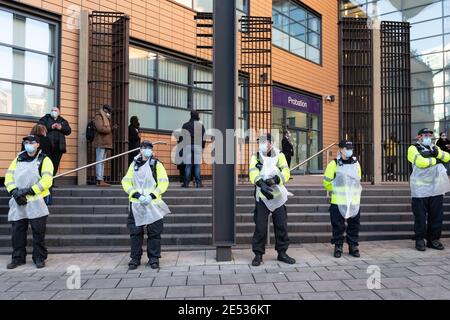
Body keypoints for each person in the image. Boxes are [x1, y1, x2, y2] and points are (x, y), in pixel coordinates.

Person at [4, 135, 54, 269]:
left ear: (37, 144)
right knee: (17, 233)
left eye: (31, 142)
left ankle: (39, 258)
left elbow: (47, 181)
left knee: (38, 233)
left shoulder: (45, 160)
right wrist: (14, 191)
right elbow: (8, 177)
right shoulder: (18, 159)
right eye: (26, 142)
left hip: (36, 202)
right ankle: (18, 258)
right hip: (18, 201)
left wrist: (29, 191)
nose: (28, 144)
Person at [121, 140, 170, 270]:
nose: (146, 150)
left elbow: (163, 183)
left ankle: (153, 258)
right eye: (144, 148)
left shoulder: (157, 165)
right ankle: (135, 258)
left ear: (152, 150)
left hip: (153, 204)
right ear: (140, 150)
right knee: (135, 233)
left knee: (154, 232)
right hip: (137, 204)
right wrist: (136, 195)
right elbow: (126, 182)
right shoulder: (134, 165)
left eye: (149, 148)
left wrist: (151, 195)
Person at [249, 134, 295, 266]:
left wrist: (276, 179)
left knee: (281, 225)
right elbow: (252, 172)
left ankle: (282, 253)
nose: (262, 144)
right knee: (260, 226)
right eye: (260, 142)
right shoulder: (256, 156)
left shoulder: (279, 155)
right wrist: (261, 184)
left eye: (265, 142)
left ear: (271, 143)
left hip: (278, 195)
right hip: (262, 195)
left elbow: (286, 171)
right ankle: (258, 254)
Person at [408, 128, 450, 251]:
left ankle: (433, 240)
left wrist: (435, 155)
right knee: (420, 217)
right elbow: (421, 162)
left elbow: (447, 157)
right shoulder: (413, 148)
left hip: (436, 189)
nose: (428, 137)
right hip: (420, 190)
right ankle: (420, 240)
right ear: (419, 137)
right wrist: (437, 159)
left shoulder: (434, 148)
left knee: (436, 216)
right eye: (425, 135)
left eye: (430, 135)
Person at [323, 140, 362, 258]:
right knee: (338, 226)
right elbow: (327, 182)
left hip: (353, 201)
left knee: (354, 224)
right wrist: (338, 188)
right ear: (340, 149)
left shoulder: (356, 163)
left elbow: (358, 179)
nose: (349, 151)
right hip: (338, 200)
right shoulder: (333, 164)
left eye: (350, 148)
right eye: (346, 148)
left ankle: (353, 246)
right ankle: (338, 246)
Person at [38, 106, 71, 176]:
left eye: (55, 110)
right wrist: (51, 127)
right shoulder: (45, 118)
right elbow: (39, 128)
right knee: (46, 163)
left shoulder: (62, 120)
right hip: (47, 146)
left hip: (59, 146)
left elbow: (68, 131)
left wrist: (61, 128)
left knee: (55, 164)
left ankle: (51, 180)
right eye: (52, 110)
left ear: (59, 112)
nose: (54, 112)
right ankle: (44, 179)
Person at [181, 110, 205, 188]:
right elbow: (203, 137)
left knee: (188, 165)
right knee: (197, 165)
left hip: (188, 145)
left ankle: (186, 183)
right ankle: (198, 183)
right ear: (197, 116)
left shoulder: (185, 125)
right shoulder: (200, 126)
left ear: (191, 115)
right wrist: (203, 146)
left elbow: (182, 137)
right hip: (198, 145)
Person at [94, 104, 114, 187]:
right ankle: (99, 180)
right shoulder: (99, 117)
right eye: (108, 111)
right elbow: (100, 128)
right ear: (105, 110)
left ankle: (101, 179)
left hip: (105, 143)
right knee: (99, 161)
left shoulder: (105, 118)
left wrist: (112, 128)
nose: (108, 113)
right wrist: (109, 129)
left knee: (102, 162)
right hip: (100, 142)